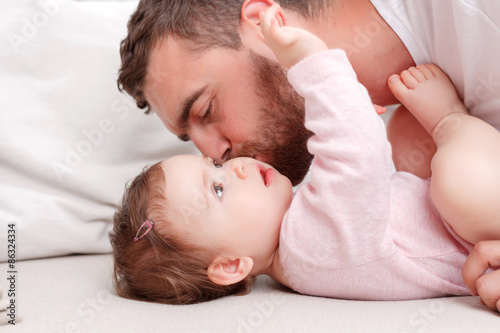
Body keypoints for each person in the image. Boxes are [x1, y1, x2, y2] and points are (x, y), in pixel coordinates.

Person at [110, 6, 500, 305]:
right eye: (217, 189)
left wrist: (315, 70)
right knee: (443, 166)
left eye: (205, 110)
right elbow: (357, 158)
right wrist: (316, 67)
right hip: (467, 225)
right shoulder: (307, 246)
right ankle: (451, 121)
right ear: (231, 265)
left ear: (265, 19)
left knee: (419, 146)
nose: (219, 154)